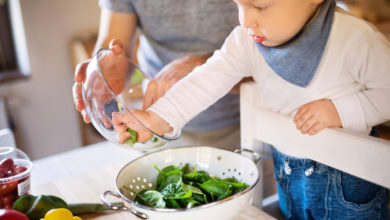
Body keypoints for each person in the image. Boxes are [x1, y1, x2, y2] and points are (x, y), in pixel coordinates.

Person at [112, 0, 390, 219]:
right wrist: (157, 118)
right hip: (288, 177)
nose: (246, 20)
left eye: (260, 6)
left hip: (348, 187)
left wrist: (340, 111)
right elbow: (207, 79)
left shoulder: (356, 39)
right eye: (238, 5)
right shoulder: (247, 39)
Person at [72, 0, 243, 151]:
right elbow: (114, 41)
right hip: (158, 129)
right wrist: (101, 76)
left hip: (244, 122)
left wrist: (204, 68)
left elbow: (261, 59)